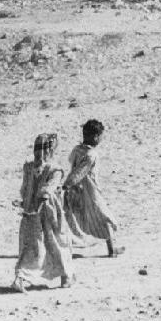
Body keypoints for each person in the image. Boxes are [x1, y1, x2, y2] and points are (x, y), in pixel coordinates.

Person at [12, 133, 76, 292]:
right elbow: (43, 192)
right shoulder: (53, 170)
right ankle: (65, 276)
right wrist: (34, 208)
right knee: (53, 243)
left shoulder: (31, 167)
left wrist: (28, 206)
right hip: (44, 213)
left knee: (35, 245)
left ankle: (22, 277)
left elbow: (28, 190)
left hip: (35, 212)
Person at [63, 119, 124, 257]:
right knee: (105, 217)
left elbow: (71, 161)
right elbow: (79, 172)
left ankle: (111, 248)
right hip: (89, 190)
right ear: (95, 136)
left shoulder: (77, 149)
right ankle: (111, 250)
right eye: (101, 136)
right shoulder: (91, 155)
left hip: (77, 190)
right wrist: (68, 184)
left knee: (82, 217)